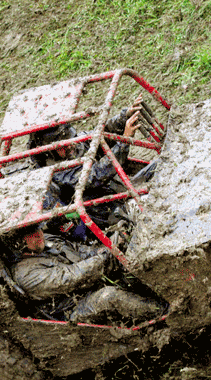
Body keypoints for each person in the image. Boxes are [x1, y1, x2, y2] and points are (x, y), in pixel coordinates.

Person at [31, 97, 146, 237]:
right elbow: (96, 175)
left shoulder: (74, 144)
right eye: (63, 145)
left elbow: (101, 134)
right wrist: (124, 142)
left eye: (69, 139)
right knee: (147, 206)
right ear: (49, 151)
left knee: (157, 169)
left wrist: (124, 117)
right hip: (105, 211)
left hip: (119, 189)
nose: (70, 145)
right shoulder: (56, 172)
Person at [10, 224, 165, 325]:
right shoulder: (26, 274)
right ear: (18, 243)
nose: (39, 234)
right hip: (73, 309)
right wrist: (106, 256)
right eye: (30, 234)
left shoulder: (48, 240)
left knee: (126, 257)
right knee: (109, 297)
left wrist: (110, 245)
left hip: (87, 284)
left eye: (37, 228)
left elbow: (81, 251)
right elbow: (70, 278)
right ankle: (163, 312)